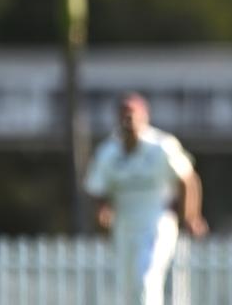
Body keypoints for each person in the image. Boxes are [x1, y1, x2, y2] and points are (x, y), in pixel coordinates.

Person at [85, 92, 209, 305]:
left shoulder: (161, 146)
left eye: (133, 114)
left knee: (147, 278)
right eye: (125, 115)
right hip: (123, 225)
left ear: (145, 117)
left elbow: (188, 179)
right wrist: (102, 215)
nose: (129, 120)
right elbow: (97, 191)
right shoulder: (108, 152)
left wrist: (191, 216)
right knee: (128, 287)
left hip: (156, 221)